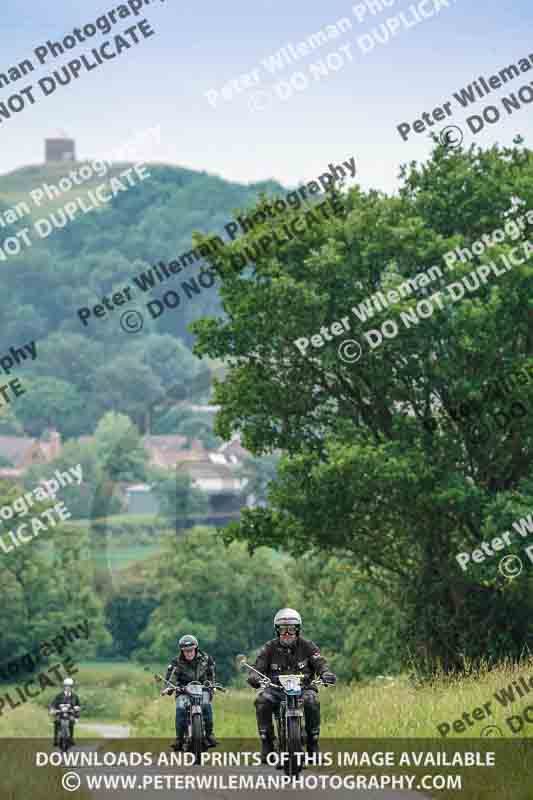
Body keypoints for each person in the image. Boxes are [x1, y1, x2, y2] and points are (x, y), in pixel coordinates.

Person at [247, 608, 336, 762]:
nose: (287, 633)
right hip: (276, 690)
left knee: (312, 701)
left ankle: (313, 744)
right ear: (277, 631)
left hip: (303, 689)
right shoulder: (269, 648)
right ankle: (267, 744)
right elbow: (258, 667)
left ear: (297, 630)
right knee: (262, 701)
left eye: (291, 629)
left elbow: (320, 662)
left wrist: (325, 673)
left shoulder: (308, 646)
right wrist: (254, 677)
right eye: (283, 629)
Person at [162, 634, 217, 751]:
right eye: (186, 651)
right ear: (182, 651)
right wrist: (169, 687)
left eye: (191, 650)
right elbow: (171, 677)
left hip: (203, 689)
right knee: (180, 709)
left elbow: (211, 673)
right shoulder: (176, 662)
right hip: (183, 690)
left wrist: (212, 685)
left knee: (206, 705)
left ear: (196, 649)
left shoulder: (206, 659)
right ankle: (179, 739)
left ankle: (209, 734)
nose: (189, 653)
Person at [48, 677, 81, 747]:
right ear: (64, 686)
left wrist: (77, 714)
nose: (68, 687)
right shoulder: (59, 696)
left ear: (72, 687)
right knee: (56, 721)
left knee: (72, 721)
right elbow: (53, 704)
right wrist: (52, 709)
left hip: (70, 714)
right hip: (59, 713)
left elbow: (78, 706)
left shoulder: (75, 696)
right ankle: (55, 739)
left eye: (70, 686)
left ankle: (71, 738)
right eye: (66, 686)